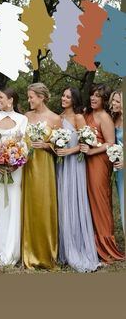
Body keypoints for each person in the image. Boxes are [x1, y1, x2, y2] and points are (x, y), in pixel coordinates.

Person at [55, 87, 100, 272]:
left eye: (68, 96)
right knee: (63, 203)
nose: (64, 98)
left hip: (74, 163)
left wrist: (68, 151)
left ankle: (78, 248)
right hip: (61, 164)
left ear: (74, 100)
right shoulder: (58, 117)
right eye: (63, 95)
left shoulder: (78, 118)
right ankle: (64, 249)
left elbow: (85, 143)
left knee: (74, 201)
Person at [80, 83, 124, 263]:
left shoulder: (105, 117)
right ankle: (91, 244)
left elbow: (110, 142)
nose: (93, 98)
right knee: (88, 201)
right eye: (92, 95)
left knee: (100, 201)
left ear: (103, 99)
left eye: (97, 96)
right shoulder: (87, 114)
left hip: (99, 161)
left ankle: (106, 245)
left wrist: (91, 151)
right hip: (85, 163)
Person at [0, 88, 28, 265]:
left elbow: (24, 144)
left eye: (1, 97)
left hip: (15, 169)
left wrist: (13, 163)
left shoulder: (22, 119)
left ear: (10, 100)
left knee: (12, 203)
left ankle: (10, 251)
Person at [22, 82, 61, 270]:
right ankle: (28, 251)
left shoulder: (55, 118)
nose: (28, 100)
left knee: (44, 205)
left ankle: (47, 252)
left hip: (45, 167)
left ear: (42, 97)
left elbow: (60, 146)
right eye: (28, 97)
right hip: (27, 167)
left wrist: (46, 145)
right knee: (29, 206)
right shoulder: (26, 117)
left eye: (31, 97)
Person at [109, 90, 124, 233]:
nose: (113, 103)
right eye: (113, 100)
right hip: (119, 171)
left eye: (117, 101)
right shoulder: (113, 119)